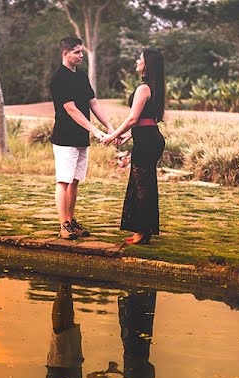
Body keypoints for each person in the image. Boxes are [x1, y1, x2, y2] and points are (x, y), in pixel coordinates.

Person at [49, 36, 114, 240]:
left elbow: (93, 104)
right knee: (64, 181)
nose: (81, 55)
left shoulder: (82, 76)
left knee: (75, 181)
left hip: (80, 137)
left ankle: (71, 220)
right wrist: (95, 131)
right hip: (64, 137)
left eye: (81, 51)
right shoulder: (59, 78)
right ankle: (63, 225)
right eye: (77, 52)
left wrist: (110, 128)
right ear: (65, 54)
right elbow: (71, 109)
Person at [102, 49, 166, 245]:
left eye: (140, 58)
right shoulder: (154, 87)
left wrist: (112, 135)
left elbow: (133, 118)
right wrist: (128, 135)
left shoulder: (143, 88)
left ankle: (143, 232)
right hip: (149, 139)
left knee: (142, 186)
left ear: (147, 65)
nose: (137, 61)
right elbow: (147, 120)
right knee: (143, 184)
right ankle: (143, 229)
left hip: (147, 142)